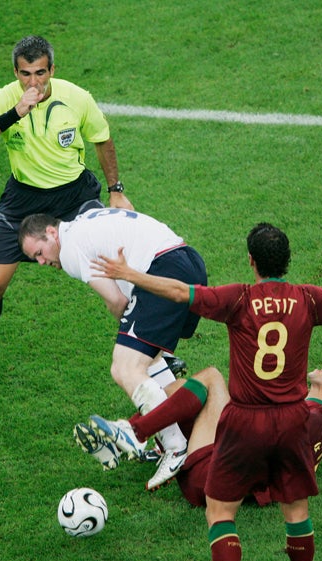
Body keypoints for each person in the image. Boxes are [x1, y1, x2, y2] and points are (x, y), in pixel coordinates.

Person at [88, 221, 322, 561]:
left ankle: (136, 432)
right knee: (297, 512)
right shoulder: (308, 299)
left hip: (244, 420)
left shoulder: (238, 299)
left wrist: (130, 274)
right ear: (288, 261)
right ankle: (139, 434)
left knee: (220, 512)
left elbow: (180, 292)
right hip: (289, 419)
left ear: (251, 261)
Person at [0, 35, 132, 389]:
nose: (33, 82)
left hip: (74, 197)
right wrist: (14, 112)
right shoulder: (5, 98)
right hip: (23, 200)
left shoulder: (76, 98)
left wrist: (115, 191)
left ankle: (157, 351)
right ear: (15, 72)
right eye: (25, 74)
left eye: (40, 73)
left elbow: (102, 138)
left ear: (52, 70)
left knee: (119, 268)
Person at [18, 207, 208, 489]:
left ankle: (175, 446)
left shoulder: (69, 250)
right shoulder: (84, 221)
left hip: (162, 268)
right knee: (149, 358)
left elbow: (116, 301)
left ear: (51, 232)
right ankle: (176, 432)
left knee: (124, 366)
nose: (42, 262)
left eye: (39, 253)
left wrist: (131, 334)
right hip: (188, 261)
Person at [74, 357, 322, 503]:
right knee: (180, 388)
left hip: (211, 480)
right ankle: (139, 445)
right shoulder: (314, 416)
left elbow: (248, 443)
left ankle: (140, 435)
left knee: (211, 379)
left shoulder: (307, 418)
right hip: (220, 471)